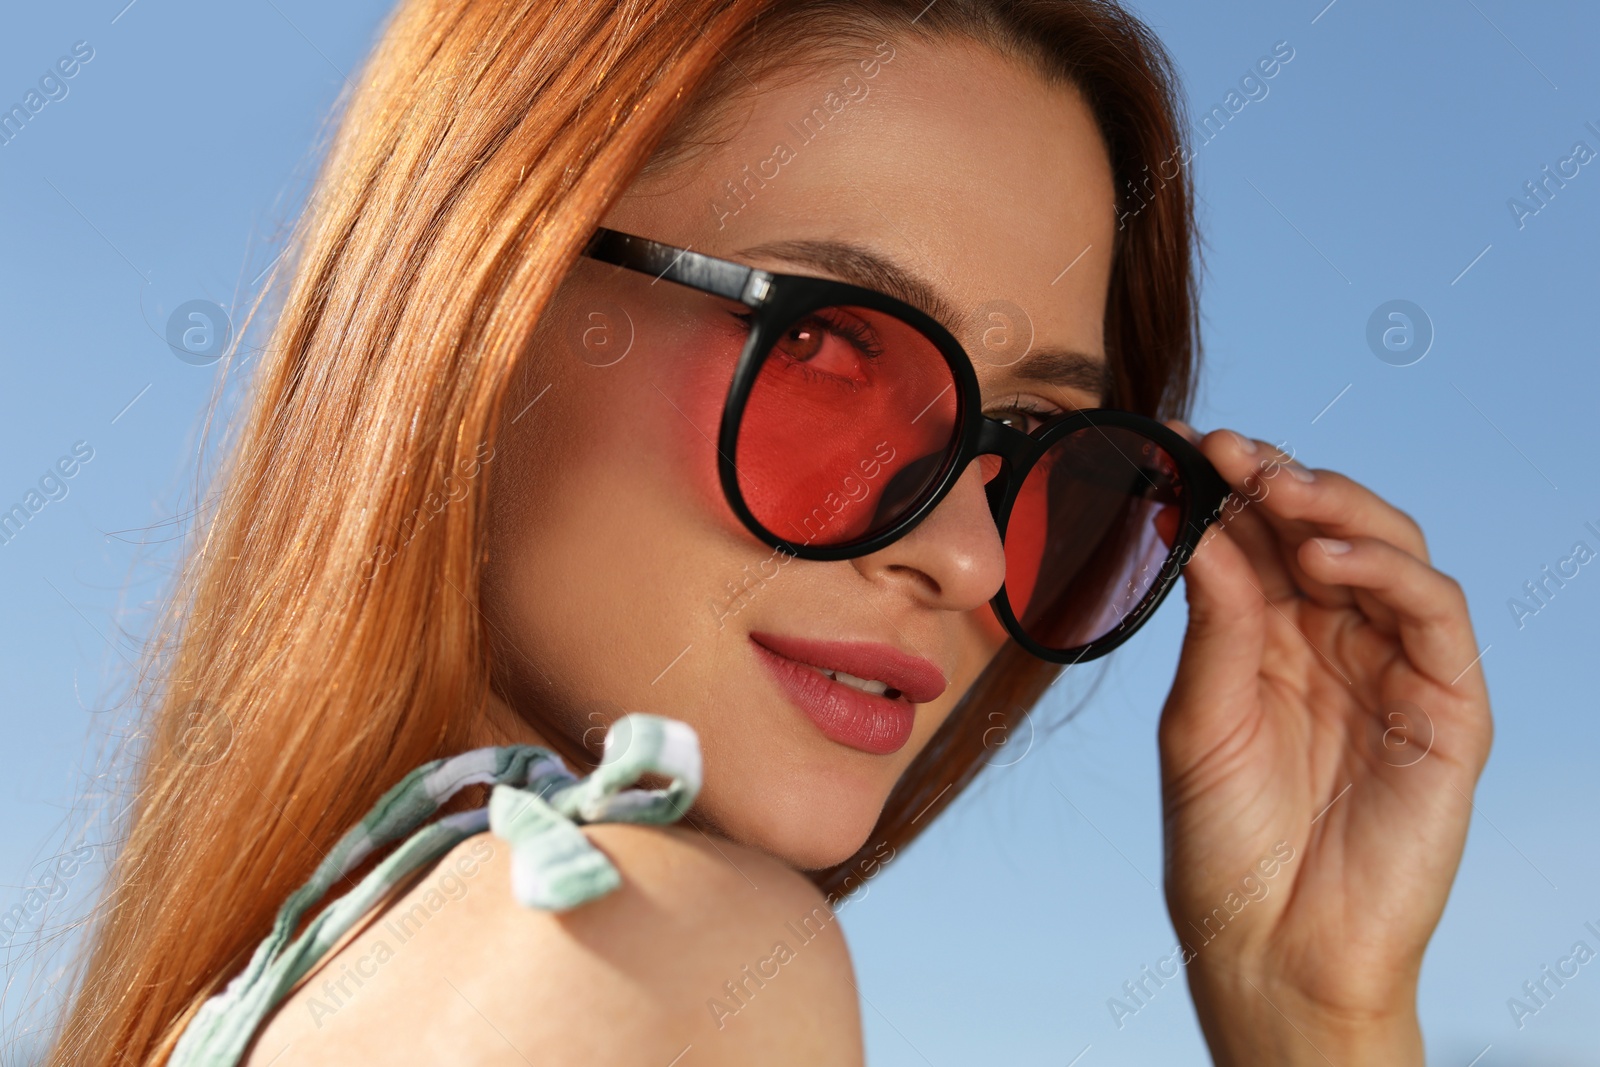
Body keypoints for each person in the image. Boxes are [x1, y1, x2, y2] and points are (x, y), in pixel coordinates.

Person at [48, 1, 1492, 1064]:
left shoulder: (309, 992)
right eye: (833, 355)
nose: (971, 561)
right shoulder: (657, 953)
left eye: (1047, 456)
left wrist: (1313, 1007)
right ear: (478, 302)